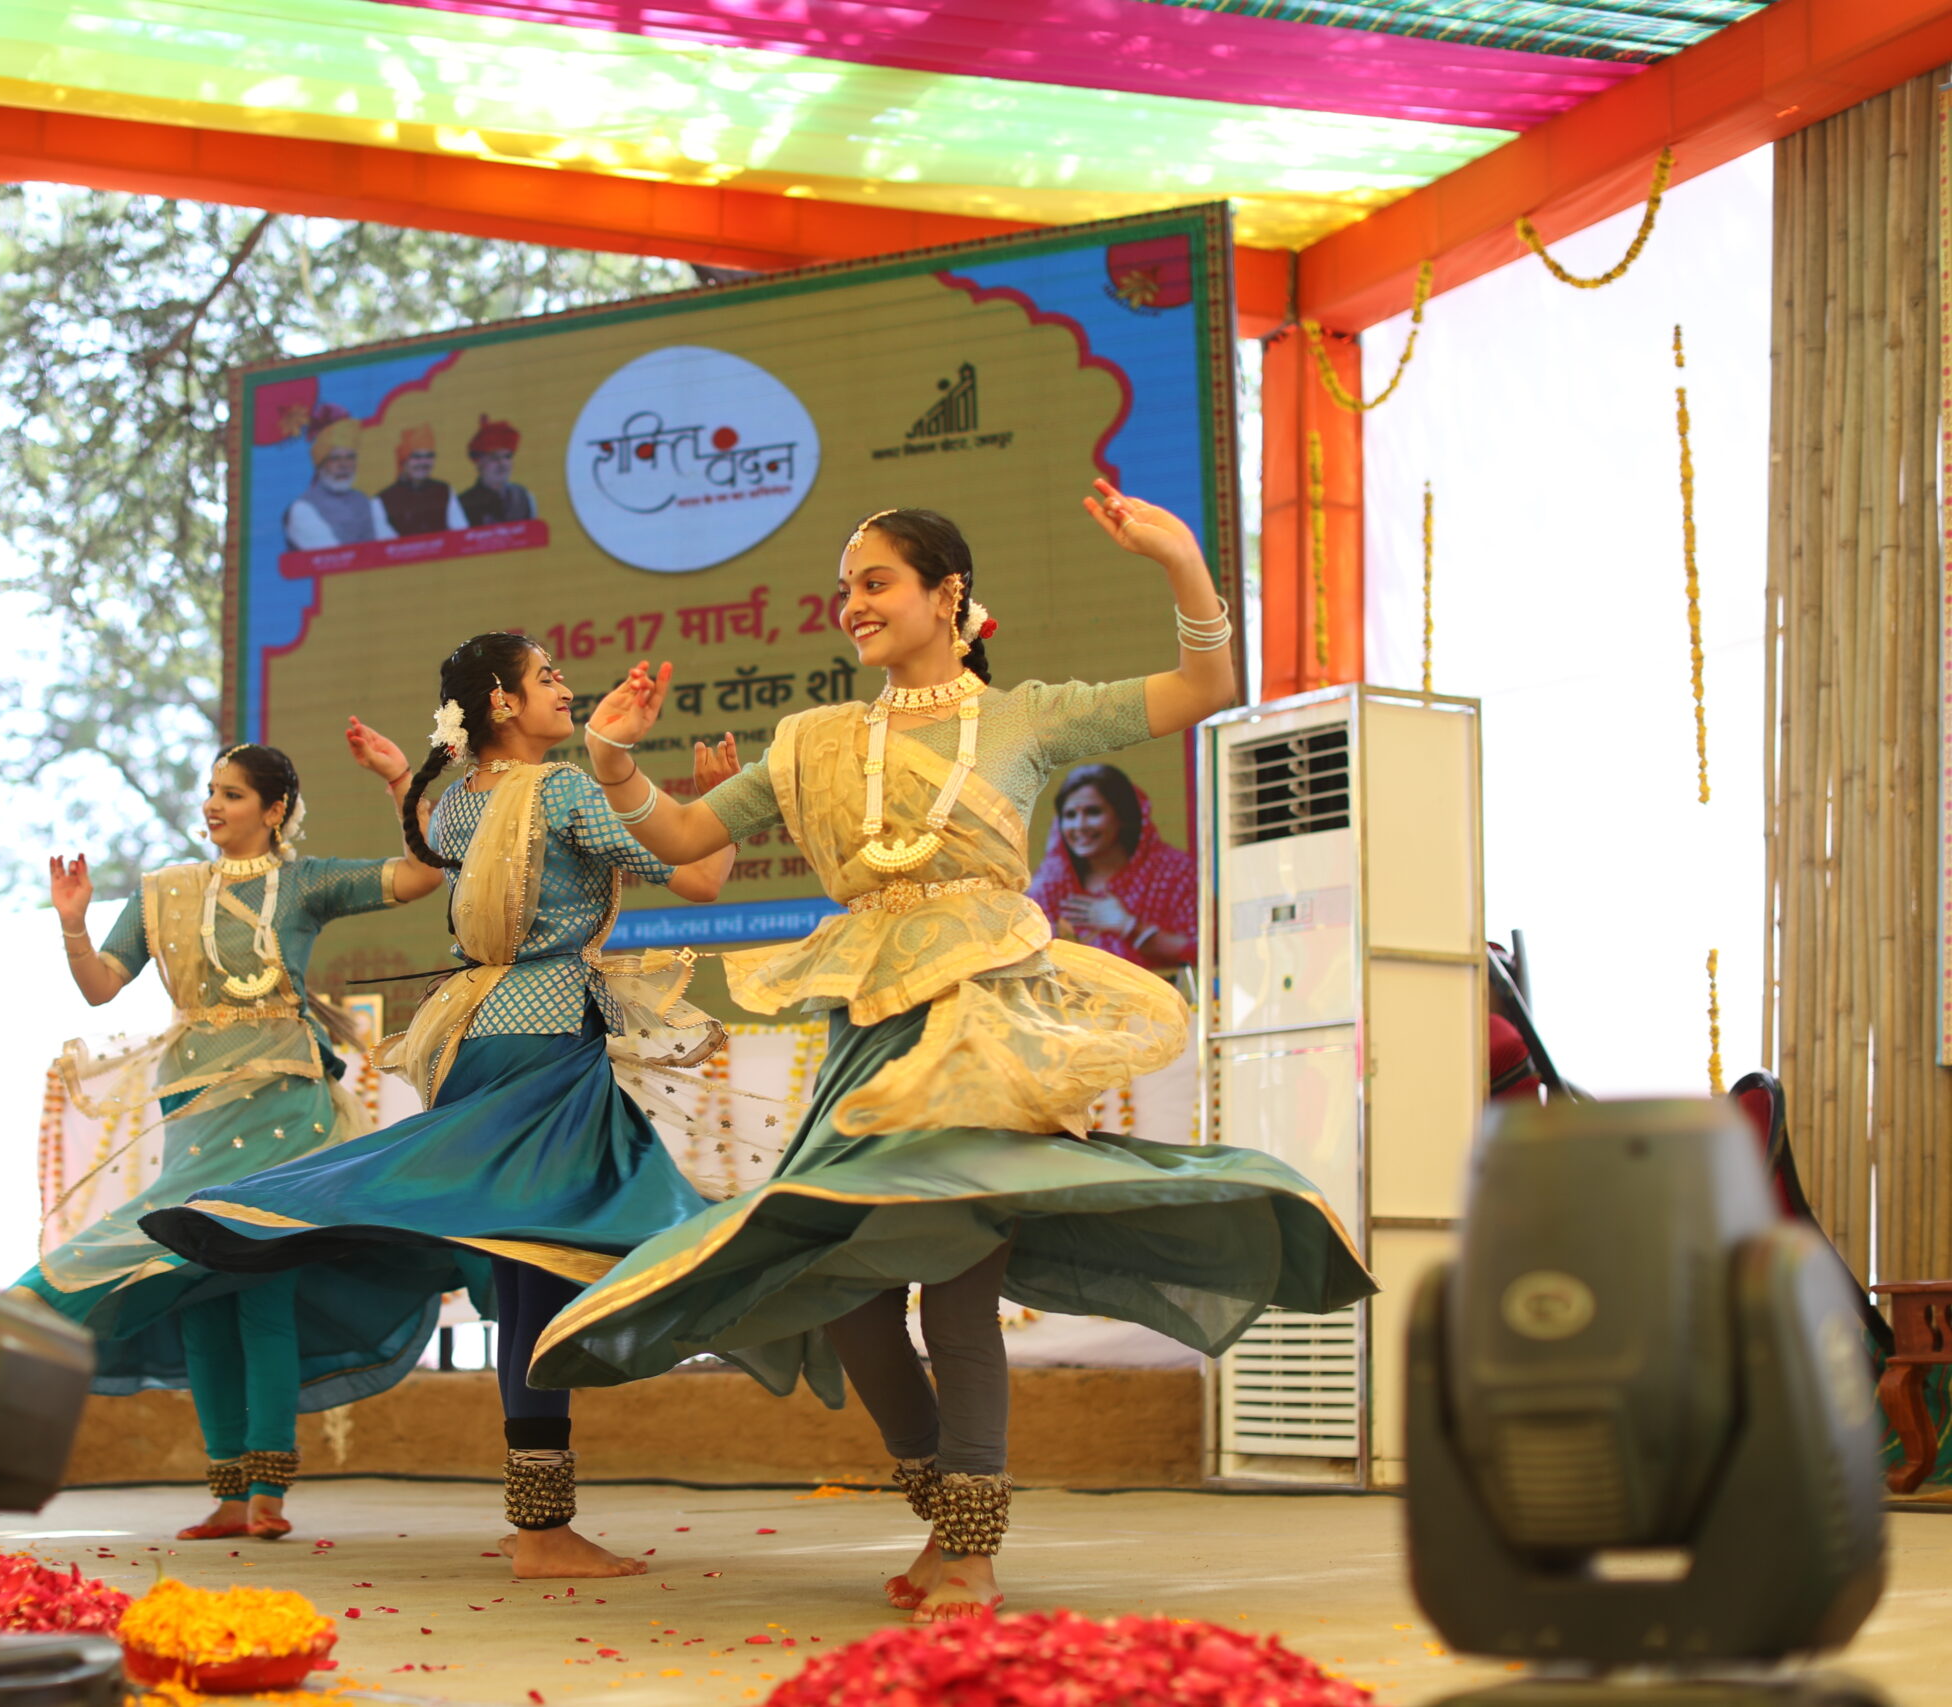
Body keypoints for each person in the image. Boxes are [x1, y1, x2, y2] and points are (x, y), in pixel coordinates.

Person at [530, 486, 1375, 1620]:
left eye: (876, 582)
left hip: (979, 1028)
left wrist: (1182, 560)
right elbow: (682, 834)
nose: (853, 604)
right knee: (846, 1292)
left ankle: (972, 1546)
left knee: (957, 1290)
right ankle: (942, 1501)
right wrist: (614, 757)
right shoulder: (814, 741)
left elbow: (1204, 688)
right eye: (845, 589)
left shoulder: (1027, 718)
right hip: (867, 1034)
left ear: (948, 594)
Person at [142, 633, 738, 1579]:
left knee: (526, 1268)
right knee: (577, 1257)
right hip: (546, 1042)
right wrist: (716, 800)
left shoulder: (462, 799)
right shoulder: (564, 790)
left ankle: (538, 1517)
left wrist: (398, 779)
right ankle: (543, 1528)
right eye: (548, 677)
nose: (565, 688)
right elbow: (701, 876)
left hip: (471, 1038)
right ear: (502, 701)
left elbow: (429, 835)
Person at [21, 733, 460, 1543]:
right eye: (211, 790)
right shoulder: (164, 892)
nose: (212, 805)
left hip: (281, 1107)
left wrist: (401, 778)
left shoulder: (306, 882)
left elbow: (422, 874)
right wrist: (74, 924)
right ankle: (228, 1490)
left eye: (231, 793)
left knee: (260, 1285)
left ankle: (267, 1490)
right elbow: (100, 988)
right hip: (197, 1107)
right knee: (194, 1286)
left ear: (274, 809)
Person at [1027, 763, 1197, 972]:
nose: (1080, 826)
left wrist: (1130, 927)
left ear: (1122, 816)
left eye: (1093, 812)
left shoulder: (1174, 873)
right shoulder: (1051, 884)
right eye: (1070, 815)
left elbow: (1206, 950)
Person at [283, 404, 391, 550]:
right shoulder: (302, 509)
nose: (344, 465)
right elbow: (332, 556)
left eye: (350, 457)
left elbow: (390, 547)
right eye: (335, 458)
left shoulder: (367, 502)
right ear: (320, 465)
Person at [378, 423, 467, 536]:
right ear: (403, 460)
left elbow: (461, 533)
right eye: (416, 457)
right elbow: (385, 542)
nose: (424, 462)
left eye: (429, 456)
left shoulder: (444, 490)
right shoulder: (383, 499)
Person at [458, 415, 537, 527]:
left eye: (507, 456)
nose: (502, 463)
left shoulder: (522, 496)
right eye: (494, 458)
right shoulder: (463, 504)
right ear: (479, 463)